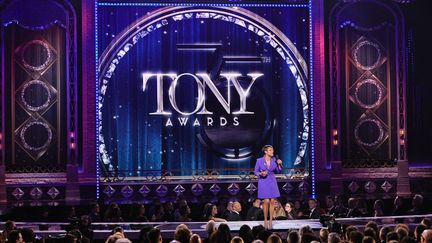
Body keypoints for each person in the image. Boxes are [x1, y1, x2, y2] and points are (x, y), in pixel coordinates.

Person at [254, 145, 283, 230]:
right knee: (266, 200)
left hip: (272, 180)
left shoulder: (274, 159)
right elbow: (255, 171)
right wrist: (260, 173)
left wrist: (279, 164)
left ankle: (271, 220)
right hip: (263, 181)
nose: (272, 152)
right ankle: (265, 220)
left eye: (272, 150)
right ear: (265, 151)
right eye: (270, 150)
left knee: (272, 201)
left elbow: (279, 170)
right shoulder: (259, 160)